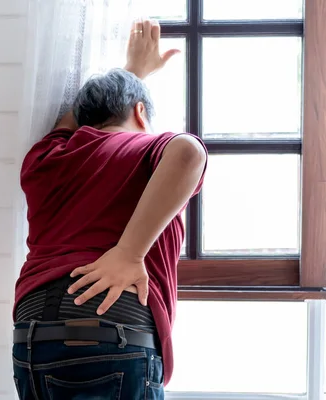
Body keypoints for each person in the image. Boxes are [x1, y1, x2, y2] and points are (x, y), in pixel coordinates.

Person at [12, 18, 208, 400]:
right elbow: (189, 153)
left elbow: (76, 116)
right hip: (110, 334)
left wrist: (132, 72)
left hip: (32, 339)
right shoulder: (149, 150)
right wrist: (127, 253)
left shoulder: (46, 158)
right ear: (140, 113)